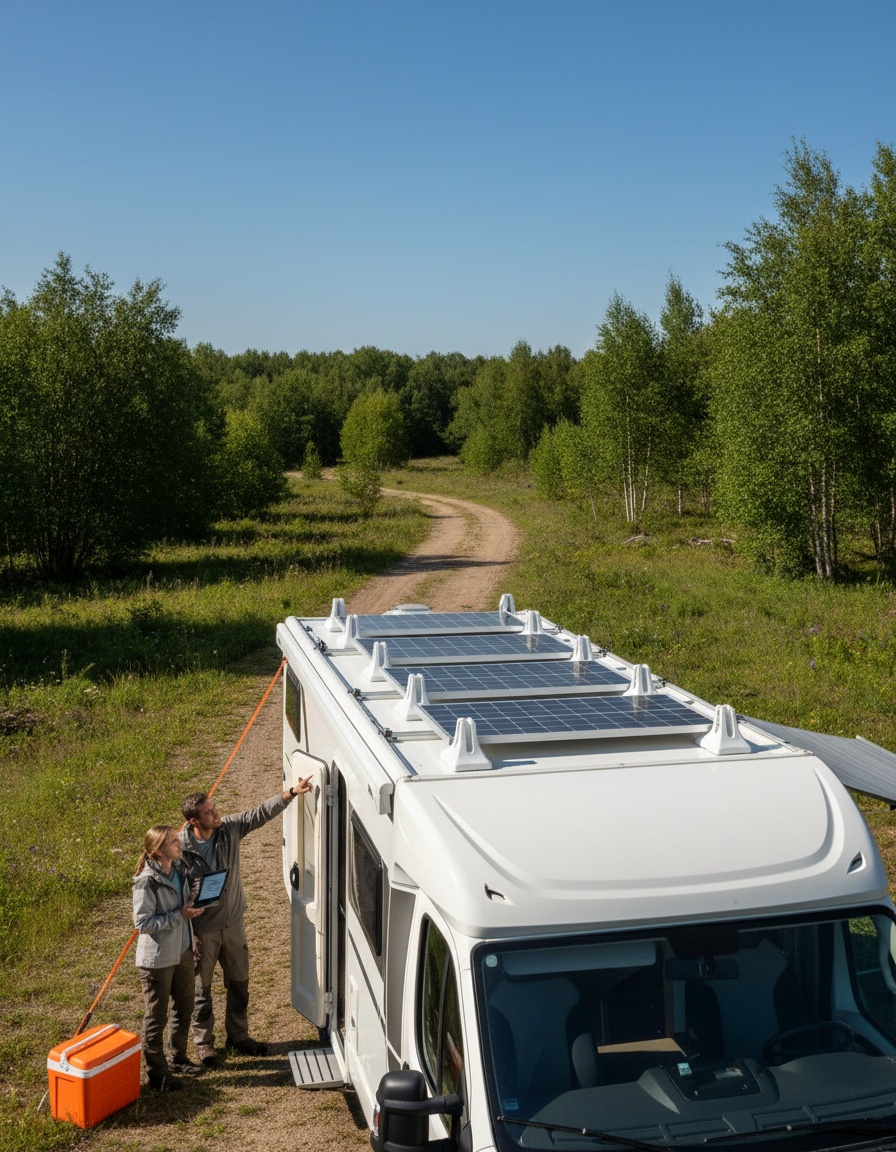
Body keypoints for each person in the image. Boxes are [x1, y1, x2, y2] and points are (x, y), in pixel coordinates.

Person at [179, 774, 313, 1064]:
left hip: (234, 923)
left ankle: (239, 1037)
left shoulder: (228, 829)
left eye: (215, 808)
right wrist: (190, 936)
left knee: (239, 983)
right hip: (202, 930)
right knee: (202, 991)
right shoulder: (179, 850)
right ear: (194, 822)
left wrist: (291, 792)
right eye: (209, 813)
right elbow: (174, 897)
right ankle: (204, 1045)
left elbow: (259, 814)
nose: (217, 814)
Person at [132, 825, 205, 1091]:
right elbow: (142, 923)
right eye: (173, 841)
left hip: (183, 951)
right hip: (158, 960)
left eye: (177, 839)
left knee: (185, 1007)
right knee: (156, 1017)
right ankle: (157, 1073)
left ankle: (178, 1057)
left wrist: (192, 933)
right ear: (158, 850)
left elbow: (183, 909)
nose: (179, 844)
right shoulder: (146, 881)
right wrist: (179, 917)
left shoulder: (178, 871)